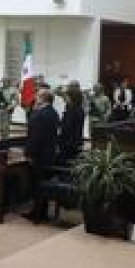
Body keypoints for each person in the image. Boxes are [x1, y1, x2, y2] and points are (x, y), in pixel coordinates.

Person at [26, 89, 60, 223]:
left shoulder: (40, 114)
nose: (35, 97)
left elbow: (34, 136)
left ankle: (37, 214)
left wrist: (29, 153)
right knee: (44, 183)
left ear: (43, 99)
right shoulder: (54, 113)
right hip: (50, 153)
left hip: (39, 155)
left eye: (38, 96)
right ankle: (43, 212)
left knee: (37, 184)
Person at [57, 81, 85, 165]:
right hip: (76, 141)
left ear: (72, 97)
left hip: (68, 143)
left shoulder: (71, 111)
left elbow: (66, 128)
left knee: (65, 162)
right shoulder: (79, 109)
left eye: (66, 97)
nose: (64, 98)